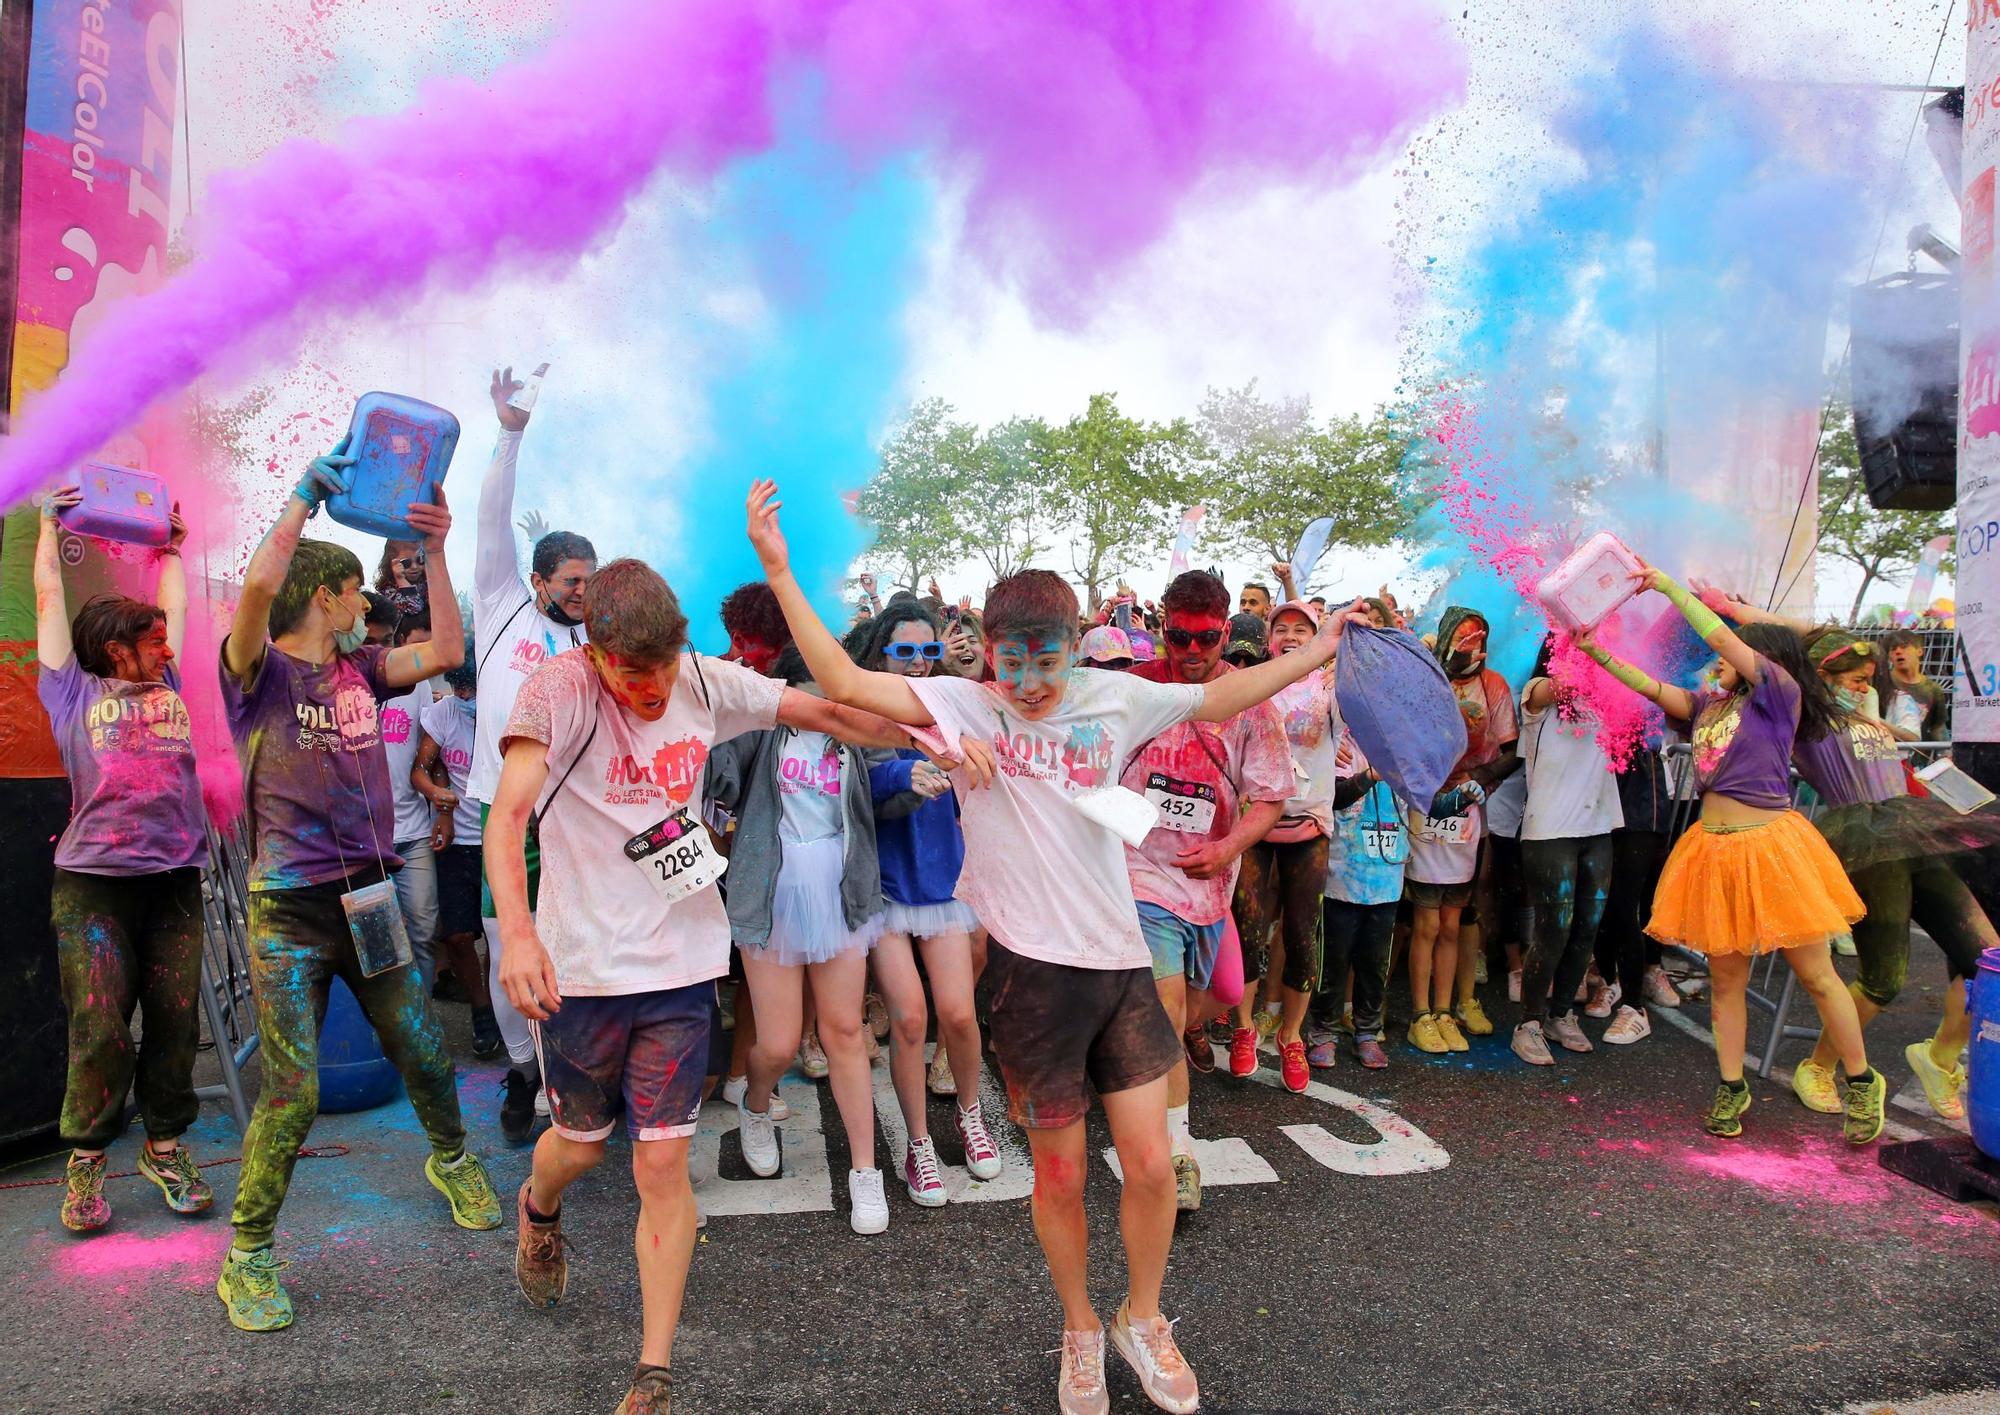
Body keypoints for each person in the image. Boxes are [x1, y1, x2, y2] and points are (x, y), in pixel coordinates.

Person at [746, 479, 1365, 1415]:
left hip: (1119, 966)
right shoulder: (965, 705)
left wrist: (1314, 653)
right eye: (1011, 661)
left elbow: (1221, 694)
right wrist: (782, 571)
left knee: (1153, 1165)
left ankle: (1141, 1317)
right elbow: (841, 682)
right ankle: (1080, 1326)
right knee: (1065, 1172)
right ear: (988, 654)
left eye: (1045, 660)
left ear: (1074, 647)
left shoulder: (1115, 698)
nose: (1029, 682)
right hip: (1034, 980)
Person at [488, 559, 940, 1411]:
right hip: (581, 966)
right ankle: (538, 1207)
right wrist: (517, 933)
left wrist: (926, 733)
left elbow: (827, 710)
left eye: (666, 665)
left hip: (682, 964)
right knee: (582, 1148)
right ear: (596, 651)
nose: (655, 687)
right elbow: (507, 816)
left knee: (663, 1164)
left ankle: (652, 1370)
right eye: (634, 671)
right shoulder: (556, 689)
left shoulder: (702, 678)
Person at [216, 445, 501, 1332]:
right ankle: (248, 1255)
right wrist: (302, 496)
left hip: (370, 897)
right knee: (292, 1092)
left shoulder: (364, 670)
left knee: (420, 1047)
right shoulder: (256, 672)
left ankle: (450, 1159)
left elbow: (450, 649)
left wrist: (443, 548)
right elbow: (259, 590)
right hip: (289, 914)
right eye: (353, 594)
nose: (363, 607)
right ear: (325, 595)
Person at [1576, 563, 1884, 1143]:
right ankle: (1730, 1086)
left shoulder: (1780, 696)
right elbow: (1646, 685)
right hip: (1714, 854)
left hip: (1772, 850)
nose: (1716, 653)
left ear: (1755, 657)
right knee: (1724, 983)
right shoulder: (1707, 708)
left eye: (1732, 650)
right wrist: (1593, 651)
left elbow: (1719, 635)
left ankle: (1862, 1082)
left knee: (1818, 976)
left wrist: (1667, 586)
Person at [1707, 614, 2000, 1122]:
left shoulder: (1869, 719)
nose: (1868, 686)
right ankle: (1819, 1067)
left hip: (1911, 834)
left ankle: (1938, 1059)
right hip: (1863, 843)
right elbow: (1784, 648)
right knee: (1883, 978)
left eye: (1870, 679)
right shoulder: (1802, 714)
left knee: (1990, 958)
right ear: (1823, 675)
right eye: (1857, 678)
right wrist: (1732, 607)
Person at [35, 488, 214, 1233]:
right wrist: (47, 522)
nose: (169, 650)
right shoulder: (72, 689)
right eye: (155, 640)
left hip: (173, 880)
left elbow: (169, 596)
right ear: (117, 649)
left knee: (175, 1022)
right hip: (93, 887)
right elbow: (49, 594)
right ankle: (85, 1161)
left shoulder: (166, 682)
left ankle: (165, 1147)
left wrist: (170, 548)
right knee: (101, 1025)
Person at [704, 645, 901, 1232]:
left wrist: (920, 777)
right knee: (780, 1041)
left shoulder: (852, 735)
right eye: (807, 694)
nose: (822, 707)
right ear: (783, 692)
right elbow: (718, 780)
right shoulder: (762, 733)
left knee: (845, 1031)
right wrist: (717, 706)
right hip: (770, 891)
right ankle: (756, 1106)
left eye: (830, 694)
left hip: (842, 891)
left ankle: (865, 1173)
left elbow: (892, 777)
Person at [1123, 571, 1290, 1208]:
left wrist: (1224, 848)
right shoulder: (1132, 688)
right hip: (1139, 875)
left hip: (1209, 882)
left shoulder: (1249, 700)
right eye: (1177, 636)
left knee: (1222, 994)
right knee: (1165, 1011)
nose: (1191, 651)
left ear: (1225, 630)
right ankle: (1179, 1153)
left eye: (1205, 638)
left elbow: (1271, 798)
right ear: (1162, 625)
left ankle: (1129, 1046)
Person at [472, 366, 599, 1144]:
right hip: (503, 815)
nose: (584, 592)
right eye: (574, 581)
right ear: (542, 578)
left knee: (571, 947)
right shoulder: (501, 603)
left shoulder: (593, 641)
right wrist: (510, 432)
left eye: (591, 580)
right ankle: (524, 1074)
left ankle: (567, 1077)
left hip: (570, 821)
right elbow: (492, 518)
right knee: (503, 952)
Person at [854, 603, 1005, 1201]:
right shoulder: (863, 710)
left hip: (945, 880)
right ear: (882, 658)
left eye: (927, 651)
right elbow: (851, 789)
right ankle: (919, 1144)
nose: (918, 664)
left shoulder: (960, 705)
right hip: (886, 885)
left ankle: (971, 1116)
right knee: (910, 1021)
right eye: (904, 652)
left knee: (961, 1015)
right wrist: (901, 779)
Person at [1228, 600, 1341, 1095]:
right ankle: (1244, 1030)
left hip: (1309, 823)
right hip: (1256, 822)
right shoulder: (1255, 683)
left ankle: (1292, 1036)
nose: (1291, 635)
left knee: (1301, 935)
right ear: (1270, 638)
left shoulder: (1332, 687)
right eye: (1283, 628)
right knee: (1249, 931)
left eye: (1302, 629)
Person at [1405, 607, 1519, 1054]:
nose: (1473, 650)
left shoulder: (1495, 686)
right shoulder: (1427, 682)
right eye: (1465, 641)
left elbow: (1513, 751)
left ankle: (1454, 1005)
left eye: (1480, 641)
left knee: (1459, 915)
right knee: (1424, 920)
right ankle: (1420, 1014)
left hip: (1471, 812)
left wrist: (1480, 781)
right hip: (1426, 807)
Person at [1510, 637, 1623, 1064]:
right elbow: (1563, 687)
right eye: (1572, 652)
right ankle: (1530, 1023)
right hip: (1550, 829)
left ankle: (1561, 1016)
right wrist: (1590, 644)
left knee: (1586, 928)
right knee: (1554, 928)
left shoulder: (1607, 699)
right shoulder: (1538, 694)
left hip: (1599, 827)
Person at [414, 655, 504, 1058]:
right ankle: (482, 1013)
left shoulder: (504, 710)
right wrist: (440, 799)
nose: (464, 697)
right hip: (457, 844)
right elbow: (423, 768)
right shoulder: (444, 713)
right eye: (458, 689)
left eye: (471, 689)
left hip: (501, 840)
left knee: (501, 936)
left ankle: (511, 1017)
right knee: (458, 935)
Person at [1317, 733, 1407, 1071]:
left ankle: (1368, 1031)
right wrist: (1369, 775)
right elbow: (1333, 796)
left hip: (1387, 881)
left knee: (1374, 965)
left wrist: (1460, 795)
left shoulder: (1405, 751)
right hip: (1343, 877)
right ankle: (1323, 1032)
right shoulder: (1340, 743)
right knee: (1333, 962)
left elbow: (1429, 798)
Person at [379, 606, 442, 989]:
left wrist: (442, 811)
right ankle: (390, 1029)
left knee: (424, 926)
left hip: (414, 831)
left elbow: (430, 750)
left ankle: (423, 1021)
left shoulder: (417, 686)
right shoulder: (343, 685)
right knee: (379, 940)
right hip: (362, 838)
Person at [1880, 629, 1946, 742]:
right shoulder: (1880, 683)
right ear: (1890, 656)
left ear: (1919, 651)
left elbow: (1938, 728)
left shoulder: (1933, 689)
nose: (1898, 652)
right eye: (1893, 649)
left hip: (1919, 755)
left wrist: (1944, 752)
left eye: (1904, 646)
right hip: (1886, 753)